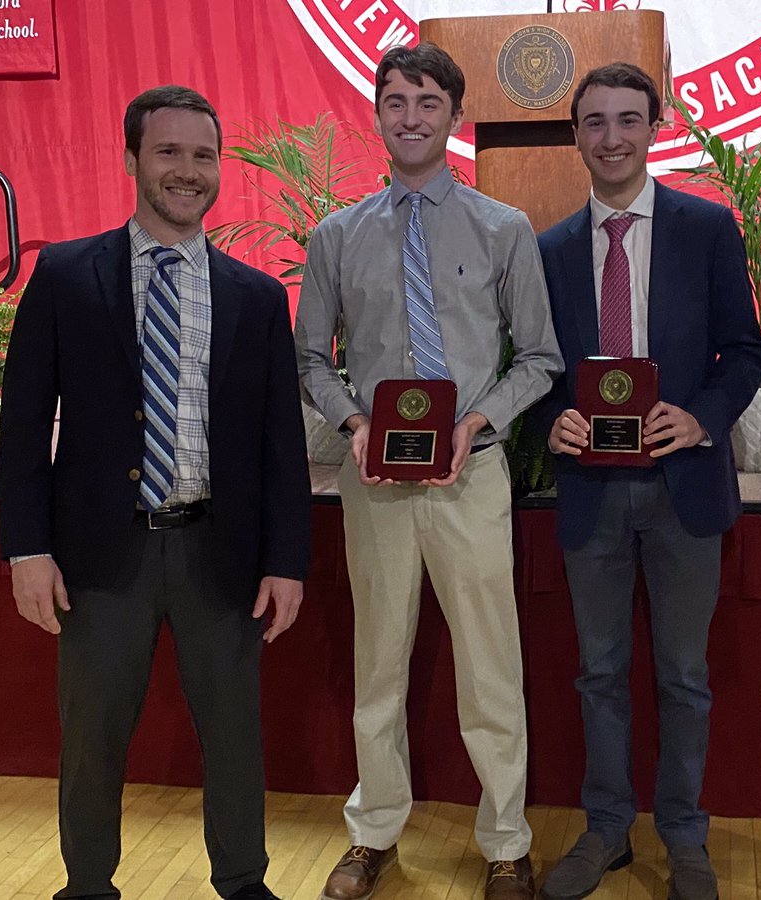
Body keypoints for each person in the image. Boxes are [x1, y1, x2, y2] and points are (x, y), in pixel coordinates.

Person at [0, 85, 311, 900]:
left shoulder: (257, 296)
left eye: (203, 155)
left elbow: (281, 445)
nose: (187, 171)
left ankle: (244, 883)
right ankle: (88, 887)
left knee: (236, 740)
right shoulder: (67, 275)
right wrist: (26, 549)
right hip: (103, 554)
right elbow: (25, 423)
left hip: (222, 551)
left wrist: (288, 561)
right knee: (92, 742)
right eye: (168, 152)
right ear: (132, 158)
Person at [295, 42, 562, 900]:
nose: (409, 116)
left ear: (454, 116)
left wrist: (477, 419)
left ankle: (507, 844)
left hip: (469, 475)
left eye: (426, 102)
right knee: (379, 664)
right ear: (377, 113)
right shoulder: (337, 235)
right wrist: (356, 422)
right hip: (375, 481)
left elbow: (542, 358)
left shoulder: (502, 228)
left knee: (491, 666)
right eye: (395, 101)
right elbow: (311, 360)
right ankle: (373, 832)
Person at [535, 63, 761, 900]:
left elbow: (745, 354)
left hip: (684, 485)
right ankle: (606, 831)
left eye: (628, 120)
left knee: (683, 676)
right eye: (594, 122)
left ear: (656, 126)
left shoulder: (707, 231)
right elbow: (539, 368)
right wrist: (551, 416)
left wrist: (702, 418)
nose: (611, 138)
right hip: (591, 490)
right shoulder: (551, 248)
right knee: (598, 672)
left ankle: (683, 835)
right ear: (576, 137)